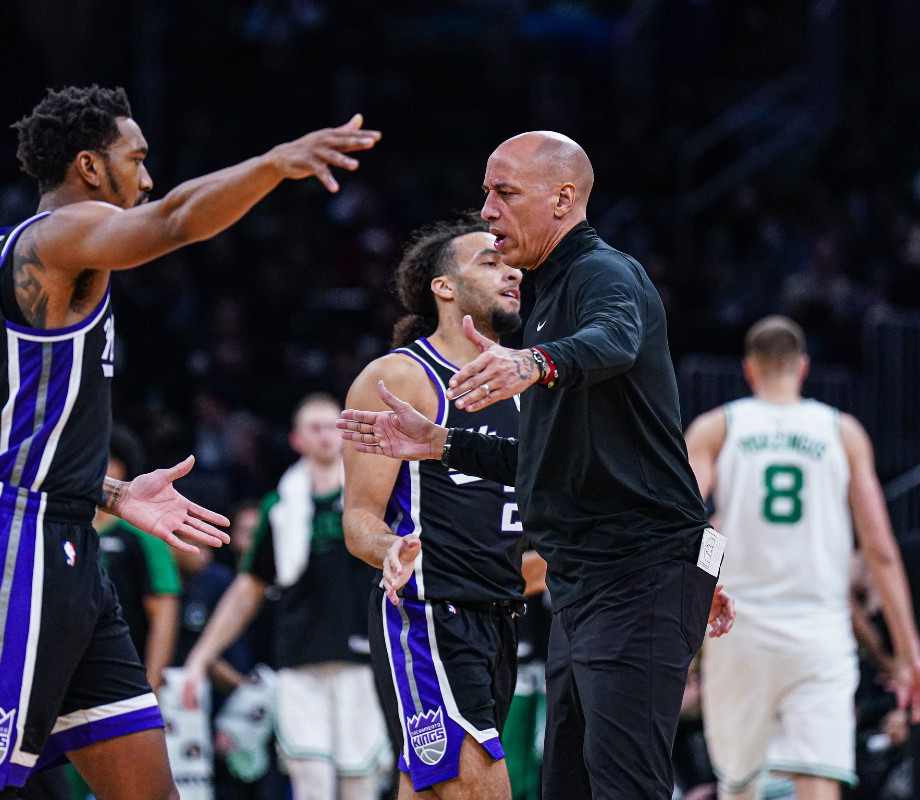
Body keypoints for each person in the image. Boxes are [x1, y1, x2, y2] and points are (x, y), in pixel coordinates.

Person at [0, 84, 379, 800]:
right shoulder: (61, 235)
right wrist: (274, 164)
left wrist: (108, 489)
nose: (148, 176)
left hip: (63, 538)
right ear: (91, 168)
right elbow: (176, 220)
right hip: (16, 544)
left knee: (148, 791)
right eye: (138, 157)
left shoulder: (1, 256)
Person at [338, 130, 735, 800]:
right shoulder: (546, 299)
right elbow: (556, 461)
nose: (487, 209)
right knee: (567, 787)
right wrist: (442, 444)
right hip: (585, 586)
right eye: (487, 192)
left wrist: (534, 363)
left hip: (632, 574)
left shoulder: (599, 274)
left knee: (620, 787)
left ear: (563, 197)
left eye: (504, 192)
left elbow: (615, 339)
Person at [342, 214, 547, 800]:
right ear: (444, 287)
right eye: (489, 261)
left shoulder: (531, 381)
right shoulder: (401, 378)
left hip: (504, 621)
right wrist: (391, 549)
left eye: (511, 263)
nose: (510, 270)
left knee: (431, 790)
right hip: (431, 619)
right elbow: (358, 517)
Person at [683, 315, 920, 800]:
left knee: (741, 781)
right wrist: (907, 649)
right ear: (803, 368)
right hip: (819, 632)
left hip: (738, 628)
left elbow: (679, 525)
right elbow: (879, 549)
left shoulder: (717, 427)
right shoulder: (843, 432)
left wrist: (698, 588)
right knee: (817, 776)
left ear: (750, 369)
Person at [181, 393, 390, 800]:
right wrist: (199, 659)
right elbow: (248, 588)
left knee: (360, 785)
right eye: (315, 427)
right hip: (298, 665)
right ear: (297, 439)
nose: (326, 436)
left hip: (363, 664)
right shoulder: (280, 507)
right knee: (310, 785)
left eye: (333, 426)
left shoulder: (372, 498)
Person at [97, 428, 182, 694]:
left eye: (108, 460)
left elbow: (164, 611)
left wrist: (150, 686)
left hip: (123, 674)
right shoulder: (58, 527)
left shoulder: (143, 536)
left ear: (124, 470)